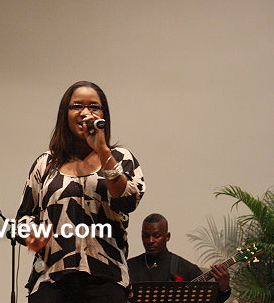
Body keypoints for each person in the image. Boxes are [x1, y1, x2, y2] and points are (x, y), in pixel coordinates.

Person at [16, 81, 145, 303]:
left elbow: (127, 202)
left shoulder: (120, 157)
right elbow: (23, 217)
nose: (85, 113)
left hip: (106, 278)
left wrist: (102, 150)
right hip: (51, 279)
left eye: (93, 107)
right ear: (65, 114)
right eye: (76, 106)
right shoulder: (45, 163)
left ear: (103, 115)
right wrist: (31, 233)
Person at [127, 213, 231, 302]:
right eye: (146, 236)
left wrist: (223, 289)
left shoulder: (187, 269)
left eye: (157, 236)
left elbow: (208, 300)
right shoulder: (128, 267)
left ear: (167, 236)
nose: (151, 241)